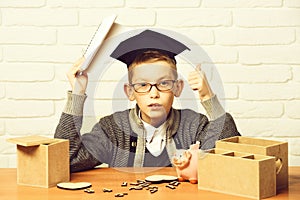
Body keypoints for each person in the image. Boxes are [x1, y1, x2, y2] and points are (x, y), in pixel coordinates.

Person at [55, 29, 240, 172]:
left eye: (164, 83)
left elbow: (230, 160)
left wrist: (209, 98)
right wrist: (77, 93)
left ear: (178, 88)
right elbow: (66, 161)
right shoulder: (112, 129)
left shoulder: (194, 125)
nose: (154, 93)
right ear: (130, 92)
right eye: (142, 85)